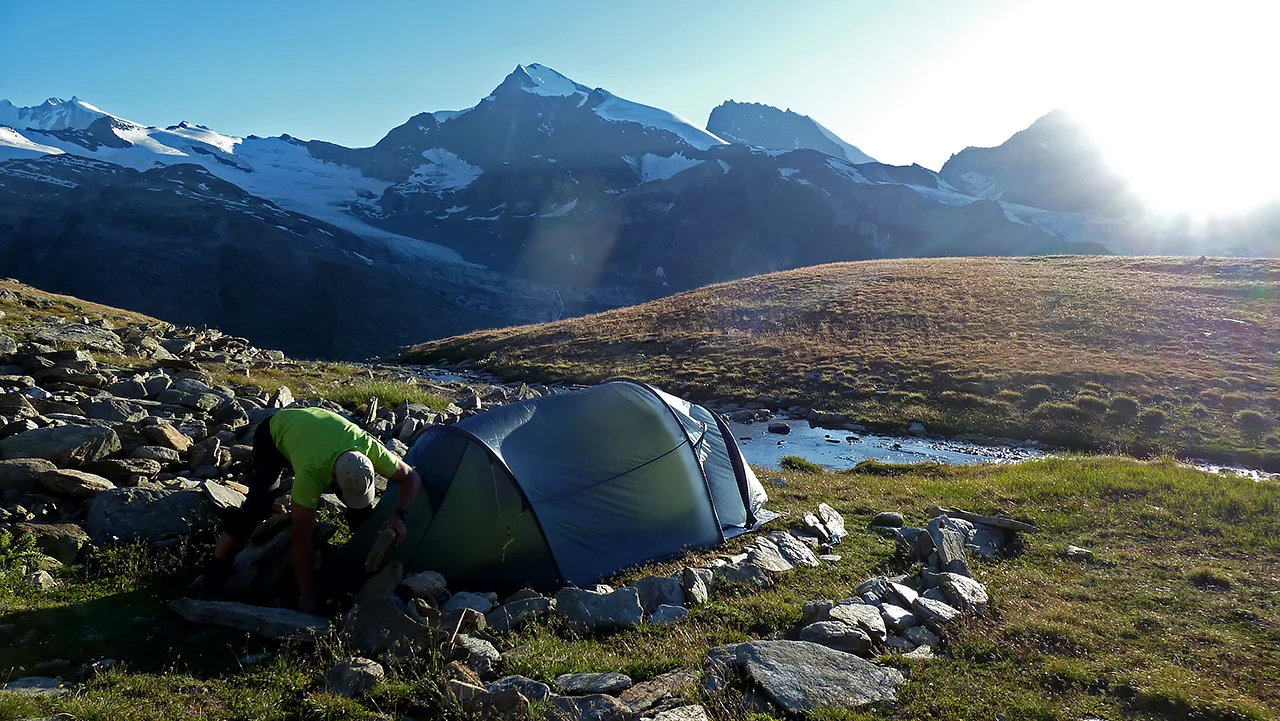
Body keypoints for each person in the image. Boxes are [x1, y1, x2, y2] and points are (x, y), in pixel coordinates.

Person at [201, 406, 422, 612]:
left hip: (317, 429)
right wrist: (307, 595)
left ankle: (359, 568)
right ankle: (217, 567)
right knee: (257, 507)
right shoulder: (311, 474)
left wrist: (398, 516)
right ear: (333, 478)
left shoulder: (369, 448)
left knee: (361, 514)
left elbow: (411, 477)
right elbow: (301, 539)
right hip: (275, 431)